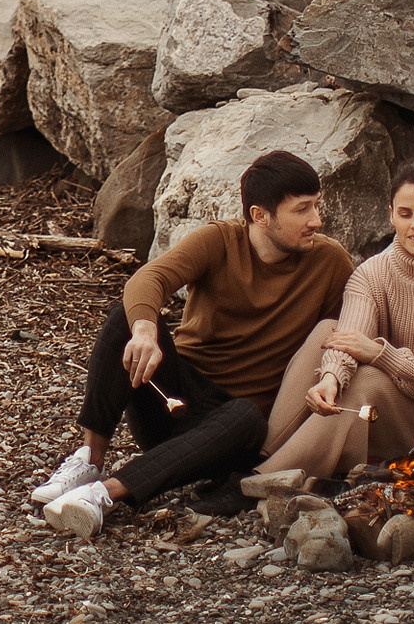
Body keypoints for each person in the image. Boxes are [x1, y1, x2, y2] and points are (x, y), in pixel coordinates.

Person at [31, 149, 353, 537]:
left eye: (316, 206)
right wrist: (146, 331)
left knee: (247, 416)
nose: (316, 220)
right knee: (126, 318)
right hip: (174, 399)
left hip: (233, 431)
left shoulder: (330, 262)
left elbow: (350, 328)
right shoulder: (220, 241)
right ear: (259, 215)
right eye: (302, 210)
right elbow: (147, 280)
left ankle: (103, 495)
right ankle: (89, 461)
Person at [258, 159, 414, 479]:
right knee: (328, 331)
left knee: (368, 380)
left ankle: (263, 480)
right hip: (393, 411)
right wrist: (330, 379)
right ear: (391, 215)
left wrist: (382, 355)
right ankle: (261, 456)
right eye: (405, 214)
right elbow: (349, 337)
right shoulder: (371, 273)